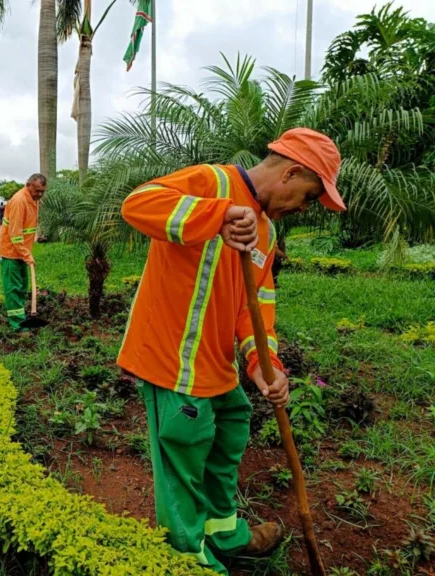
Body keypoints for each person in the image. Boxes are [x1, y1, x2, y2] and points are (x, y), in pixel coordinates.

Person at [117, 128, 344, 575]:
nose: (305, 207)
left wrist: (264, 364)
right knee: (184, 458)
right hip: (173, 363)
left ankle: (223, 533)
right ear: (291, 172)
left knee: (230, 436)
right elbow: (137, 204)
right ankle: (188, 559)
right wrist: (217, 215)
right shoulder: (211, 182)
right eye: (309, 195)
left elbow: (255, 306)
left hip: (217, 366)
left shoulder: (266, 232)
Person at [0, 174, 47, 331]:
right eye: (37, 190)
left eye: (42, 191)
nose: (39, 194)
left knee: (22, 287)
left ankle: (22, 318)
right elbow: (15, 234)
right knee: (13, 289)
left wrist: (26, 253)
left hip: (22, 252)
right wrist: (27, 255)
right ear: (28, 185)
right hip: (11, 253)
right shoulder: (19, 201)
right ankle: (18, 326)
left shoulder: (33, 200)